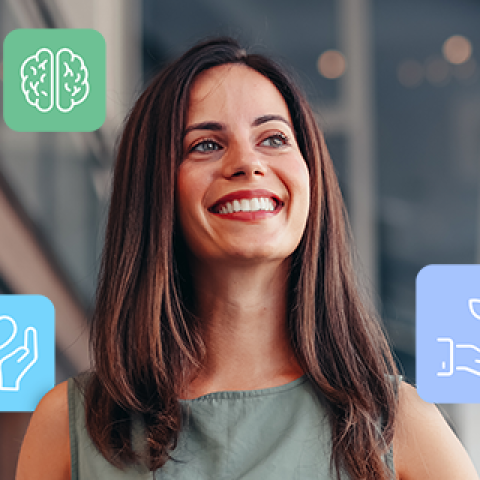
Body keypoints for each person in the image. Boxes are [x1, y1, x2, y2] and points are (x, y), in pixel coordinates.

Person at [16, 37, 479, 480]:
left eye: (274, 138)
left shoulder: (394, 423)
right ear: (153, 190)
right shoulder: (68, 427)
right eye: (206, 145)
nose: (248, 162)